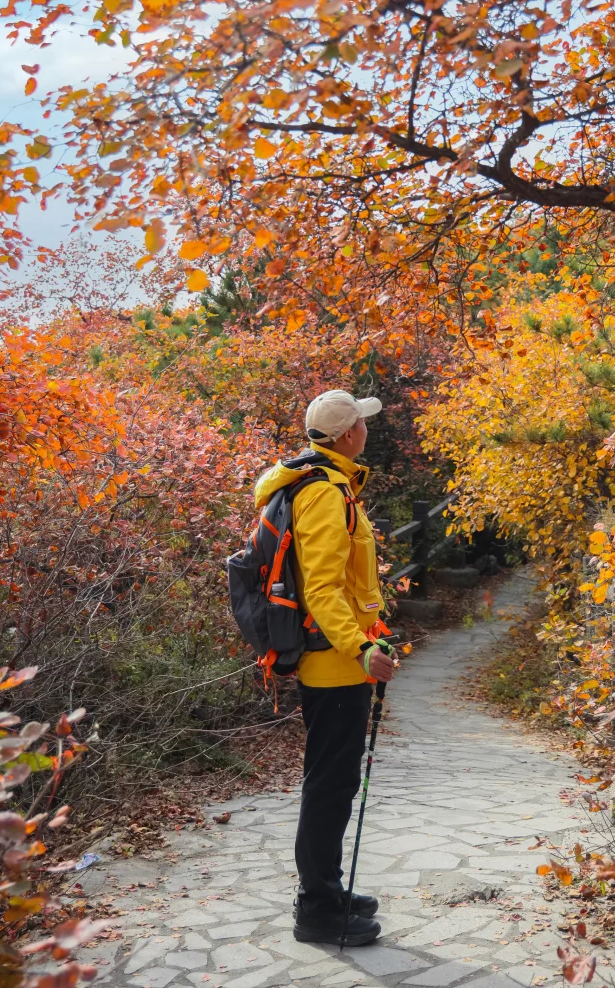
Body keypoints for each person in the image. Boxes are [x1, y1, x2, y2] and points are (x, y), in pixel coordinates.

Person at [252, 389, 397, 947]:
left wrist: (373, 632)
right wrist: (360, 649)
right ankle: (316, 907)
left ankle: (329, 891)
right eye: (361, 421)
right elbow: (323, 590)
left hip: (342, 659)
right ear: (345, 436)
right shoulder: (323, 494)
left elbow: (352, 588)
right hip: (334, 665)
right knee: (330, 785)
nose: (367, 428)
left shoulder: (332, 486)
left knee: (336, 781)